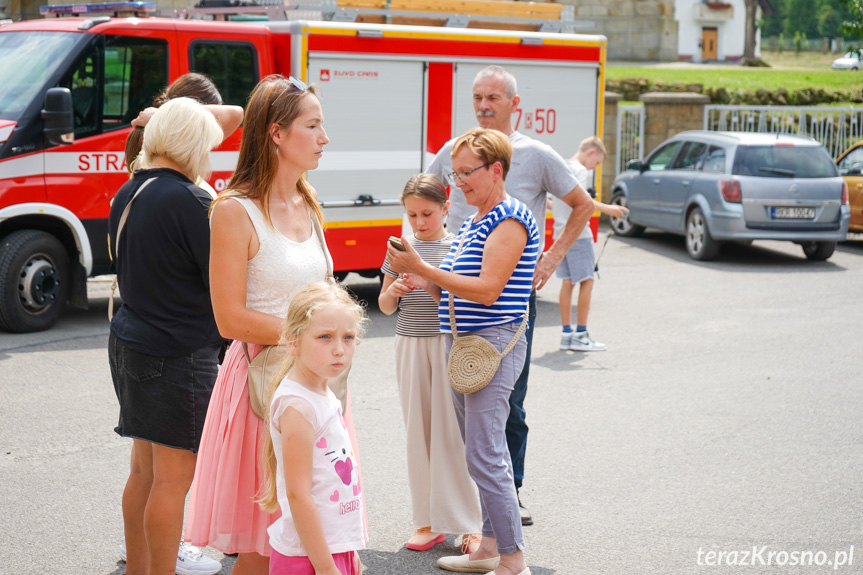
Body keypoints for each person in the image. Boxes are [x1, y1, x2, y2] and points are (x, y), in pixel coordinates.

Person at [184, 75, 360, 575]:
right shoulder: (233, 210)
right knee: (264, 545)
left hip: (318, 388)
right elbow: (228, 318)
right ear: (277, 134)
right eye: (314, 125)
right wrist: (309, 337)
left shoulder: (309, 201)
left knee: (307, 530)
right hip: (262, 393)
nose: (324, 137)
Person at [426, 65, 594, 525]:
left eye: (493, 98)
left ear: (514, 104)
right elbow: (423, 195)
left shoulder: (536, 155)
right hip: (456, 295)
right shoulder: (453, 150)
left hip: (505, 299)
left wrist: (553, 257)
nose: (483, 105)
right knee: (461, 396)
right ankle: (477, 507)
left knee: (509, 401)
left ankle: (508, 495)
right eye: (478, 97)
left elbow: (582, 205)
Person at [389, 127, 538, 575]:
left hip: (491, 343)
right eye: (454, 174)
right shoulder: (477, 220)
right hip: (466, 345)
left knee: (484, 453)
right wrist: (420, 280)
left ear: (497, 169)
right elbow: (454, 293)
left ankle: (512, 558)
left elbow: (489, 290)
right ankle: (489, 547)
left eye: (467, 172)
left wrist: (421, 267)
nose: (458, 183)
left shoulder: (509, 217)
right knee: (481, 450)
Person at [107, 97, 226, 575]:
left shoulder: (130, 189)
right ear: (192, 145)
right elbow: (222, 279)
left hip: (132, 340)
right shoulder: (192, 201)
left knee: (144, 472)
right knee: (173, 482)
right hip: (178, 351)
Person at [378, 174, 482, 554]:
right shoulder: (398, 247)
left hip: (445, 344)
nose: (419, 222)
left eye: (427, 213)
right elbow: (386, 307)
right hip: (408, 344)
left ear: (445, 208)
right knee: (417, 433)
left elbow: (459, 305)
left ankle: (471, 524)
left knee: (453, 435)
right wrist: (394, 290)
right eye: (412, 214)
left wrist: (428, 282)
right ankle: (427, 521)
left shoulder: (456, 247)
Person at [258, 281, 367, 575]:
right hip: (308, 558)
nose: (339, 350)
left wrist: (348, 549)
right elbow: (299, 495)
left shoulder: (321, 391)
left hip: (331, 550)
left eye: (348, 337)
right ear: (293, 340)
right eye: (325, 337)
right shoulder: (298, 406)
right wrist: (326, 567)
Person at [552, 136, 629, 352]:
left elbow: (558, 202)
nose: (593, 168)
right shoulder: (580, 171)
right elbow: (582, 202)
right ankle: (581, 334)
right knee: (587, 281)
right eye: (596, 163)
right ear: (591, 153)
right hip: (579, 234)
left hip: (560, 234)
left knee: (567, 282)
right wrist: (609, 209)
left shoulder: (562, 168)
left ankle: (567, 334)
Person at [124, 72, 244, 196]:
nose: (210, 127)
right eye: (209, 120)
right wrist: (167, 115)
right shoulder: (153, 158)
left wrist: (164, 115)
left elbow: (237, 114)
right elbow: (236, 113)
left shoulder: (180, 153)